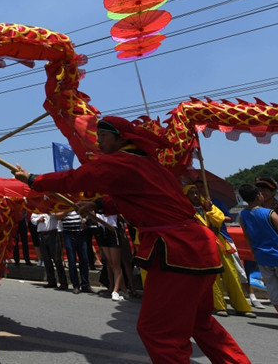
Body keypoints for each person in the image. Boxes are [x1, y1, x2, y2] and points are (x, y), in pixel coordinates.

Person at [13, 116, 250, 364]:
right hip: (199, 247)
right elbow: (137, 198)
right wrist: (98, 204)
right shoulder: (150, 165)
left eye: (103, 136)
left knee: (158, 332)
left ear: (121, 137)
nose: (98, 141)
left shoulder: (120, 162)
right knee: (201, 324)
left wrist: (33, 180)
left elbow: (75, 178)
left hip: (178, 250)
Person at [183, 184, 256, 319]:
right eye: (191, 193)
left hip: (221, 245)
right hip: (203, 248)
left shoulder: (209, 206)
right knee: (213, 279)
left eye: (196, 192)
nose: (195, 195)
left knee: (232, 275)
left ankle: (242, 306)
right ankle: (220, 306)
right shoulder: (184, 210)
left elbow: (219, 219)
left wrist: (210, 210)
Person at [238, 183, 278, 330]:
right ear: (258, 195)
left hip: (261, 256)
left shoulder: (243, 215)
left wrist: (254, 254)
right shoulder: (269, 213)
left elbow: (247, 237)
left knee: (273, 290)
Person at [56, 209, 92, 294]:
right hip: (68, 234)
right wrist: (68, 210)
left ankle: (85, 284)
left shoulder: (79, 203)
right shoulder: (63, 204)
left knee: (84, 260)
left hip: (80, 233)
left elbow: (90, 214)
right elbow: (57, 216)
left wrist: (85, 219)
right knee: (72, 261)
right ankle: (75, 285)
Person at [30, 211, 67, 291]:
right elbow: (32, 219)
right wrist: (38, 220)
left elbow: (57, 216)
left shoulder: (52, 207)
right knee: (46, 259)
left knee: (57, 259)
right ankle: (51, 281)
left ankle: (63, 282)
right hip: (42, 234)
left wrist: (50, 212)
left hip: (53, 234)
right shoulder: (37, 209)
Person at [95, 211, 126, 301]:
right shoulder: (96, 204)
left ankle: (115, 291)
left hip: (112, 230)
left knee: (116, 263)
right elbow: (93, 219)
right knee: (110, 263)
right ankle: (123, 288)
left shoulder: (111, 203)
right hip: (102, 230)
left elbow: (109, 214)